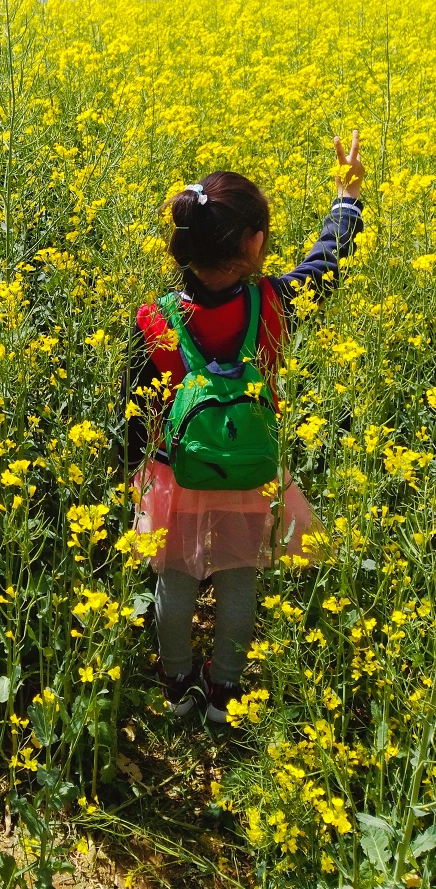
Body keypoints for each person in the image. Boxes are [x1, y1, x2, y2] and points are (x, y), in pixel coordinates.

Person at [122, 133, 365, 722]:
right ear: (255, 244)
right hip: (251, 466)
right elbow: (327, 261)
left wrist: (132, 475)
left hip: (175, 471)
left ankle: (178, 681)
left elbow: (134, 412)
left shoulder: (154, 318)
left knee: (174, 575)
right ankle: (226, 689)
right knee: (239, 576)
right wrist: (346, 198)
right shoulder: (275, 302)